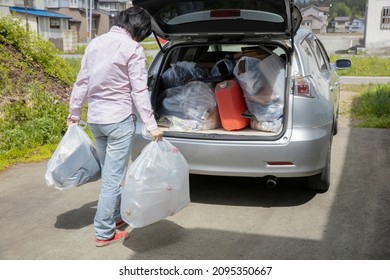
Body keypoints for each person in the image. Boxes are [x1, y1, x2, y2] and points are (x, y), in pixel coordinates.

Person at [67, 6, 163, 247]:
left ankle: (117, 216)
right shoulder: (133, 49)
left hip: (97, 120)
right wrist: (152, 126)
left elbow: (82, 82)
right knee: (112, 178)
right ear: (139, 29)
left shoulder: (95, 44)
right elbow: (139, 91)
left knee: (110, 174)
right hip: (119, 120)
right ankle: (104, 231)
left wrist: (74, 113)